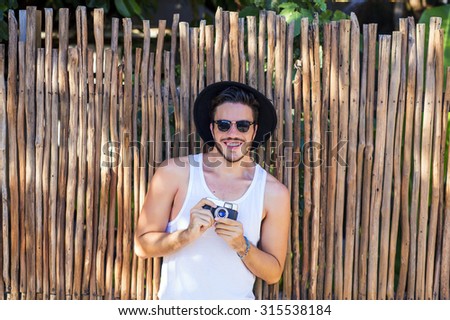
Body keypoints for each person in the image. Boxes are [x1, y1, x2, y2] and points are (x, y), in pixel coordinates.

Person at [134, 81, 290, 299]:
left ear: (254, 131)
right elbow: (142, 247)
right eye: (224, 125)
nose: (233, 133)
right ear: (212, 128)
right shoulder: (174, 174)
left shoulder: (273, 193)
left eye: (243, 125)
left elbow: (273, 273)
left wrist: (241, 245)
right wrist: (186, 235)